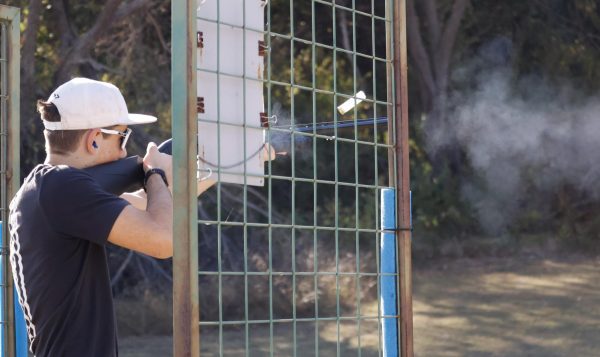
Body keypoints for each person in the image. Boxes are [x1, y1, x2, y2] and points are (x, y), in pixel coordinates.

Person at [8, 77, 173, 356]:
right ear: (94, 140)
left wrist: (212, 168)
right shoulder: (61, 186)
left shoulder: (46, 190)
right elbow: (163, 240)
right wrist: (154, 173)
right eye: (122, 137)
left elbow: (150, 206)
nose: (124, 150)